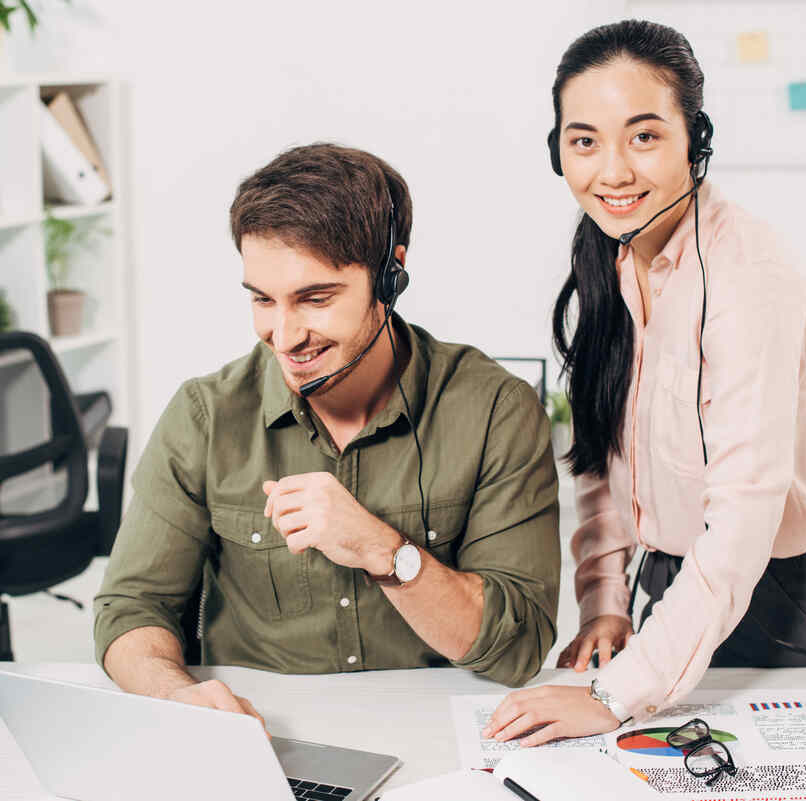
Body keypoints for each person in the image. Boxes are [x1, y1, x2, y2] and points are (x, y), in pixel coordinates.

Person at [484, 19, 806, 745]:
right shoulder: (611, 258)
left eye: (643, 136)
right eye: (584, 141)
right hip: (674, 587)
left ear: (695, 138)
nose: (612, 172)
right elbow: (600, 452)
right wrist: (603, 598)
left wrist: (612, 695)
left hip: (786, 598)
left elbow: (741, 517)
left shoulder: (747, 273)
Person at [95, 143, 560, 724]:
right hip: (263, 737)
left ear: (391, 274)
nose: (284, 336)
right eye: (263, 300)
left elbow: (519, 649)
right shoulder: (204, 416)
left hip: (441, 737)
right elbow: (130, 609)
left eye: (314, 299)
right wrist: (175, 695)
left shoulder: (495, 410)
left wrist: (381, 550)